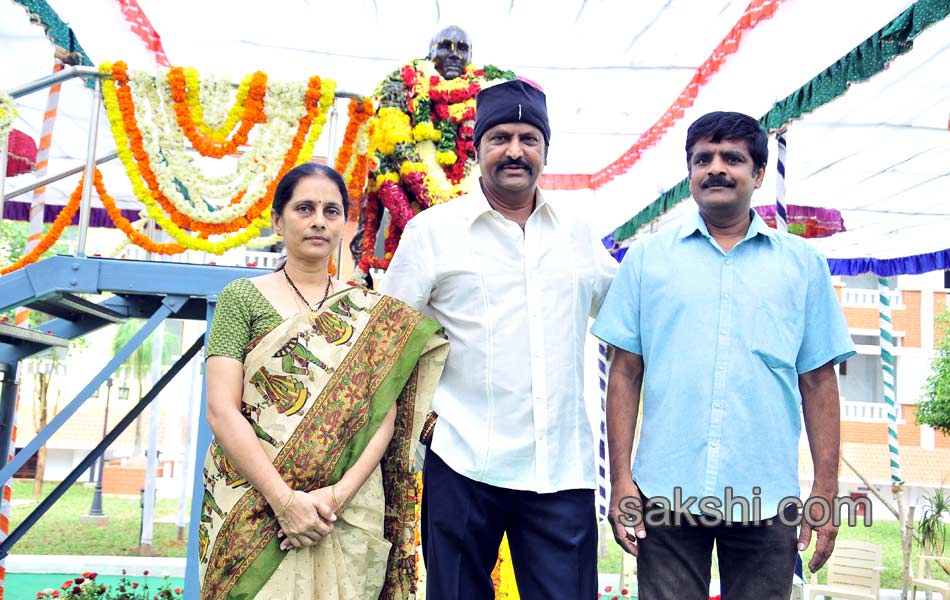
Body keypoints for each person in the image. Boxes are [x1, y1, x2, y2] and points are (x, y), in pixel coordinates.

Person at [592, 111, 856, 600]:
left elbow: (819, 382)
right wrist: (622, 480)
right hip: (664, 491)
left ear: (757, 174)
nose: (716, 168)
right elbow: (624, 373)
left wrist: (825, 486)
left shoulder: (802, 266)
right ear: (689, 173)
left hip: (764, 494)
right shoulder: (648, 260)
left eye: (732, 158)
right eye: (702, 159)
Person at [381, 79, 617, 599]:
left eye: (529, 138)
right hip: (463, 461)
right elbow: (386, 345)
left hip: (561, 468)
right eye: (501, 137)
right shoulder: (432, 232)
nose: (515, 151)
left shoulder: (579, 235)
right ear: (479, 149)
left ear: (545, 151)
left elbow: (630, 319)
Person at [198, 162, 449, 600]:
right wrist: (285, 502)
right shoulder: (242, 298)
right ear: (278, 220)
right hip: (252, 501)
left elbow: (382, 416)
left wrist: (335, 496)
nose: (318, 220)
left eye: (332, 211)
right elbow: (221, 410)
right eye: (304, 208)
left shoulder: (369, 312)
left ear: (344, 225)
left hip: (343, 508)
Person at [350, 26, 515, 283]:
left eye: (462, 48)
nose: (453, 54)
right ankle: (362, 268)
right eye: (445, 46)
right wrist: (435, 210)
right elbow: (396, 146)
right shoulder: (402, 83)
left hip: (471, 210)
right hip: (412, 212)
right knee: (381, 168)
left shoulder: (487, 93)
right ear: (430, 51)